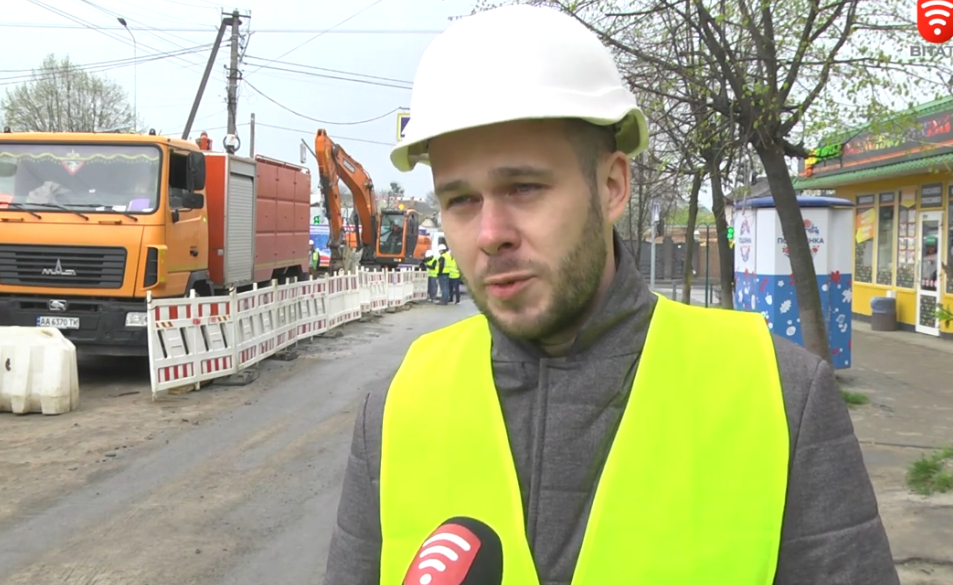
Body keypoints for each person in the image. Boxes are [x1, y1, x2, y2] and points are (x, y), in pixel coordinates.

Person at [322, 5, 899, 585]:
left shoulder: (779, 395)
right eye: (460, 200)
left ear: (613, 186)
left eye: (523, 187)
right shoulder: (396, 409)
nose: (491, 233)